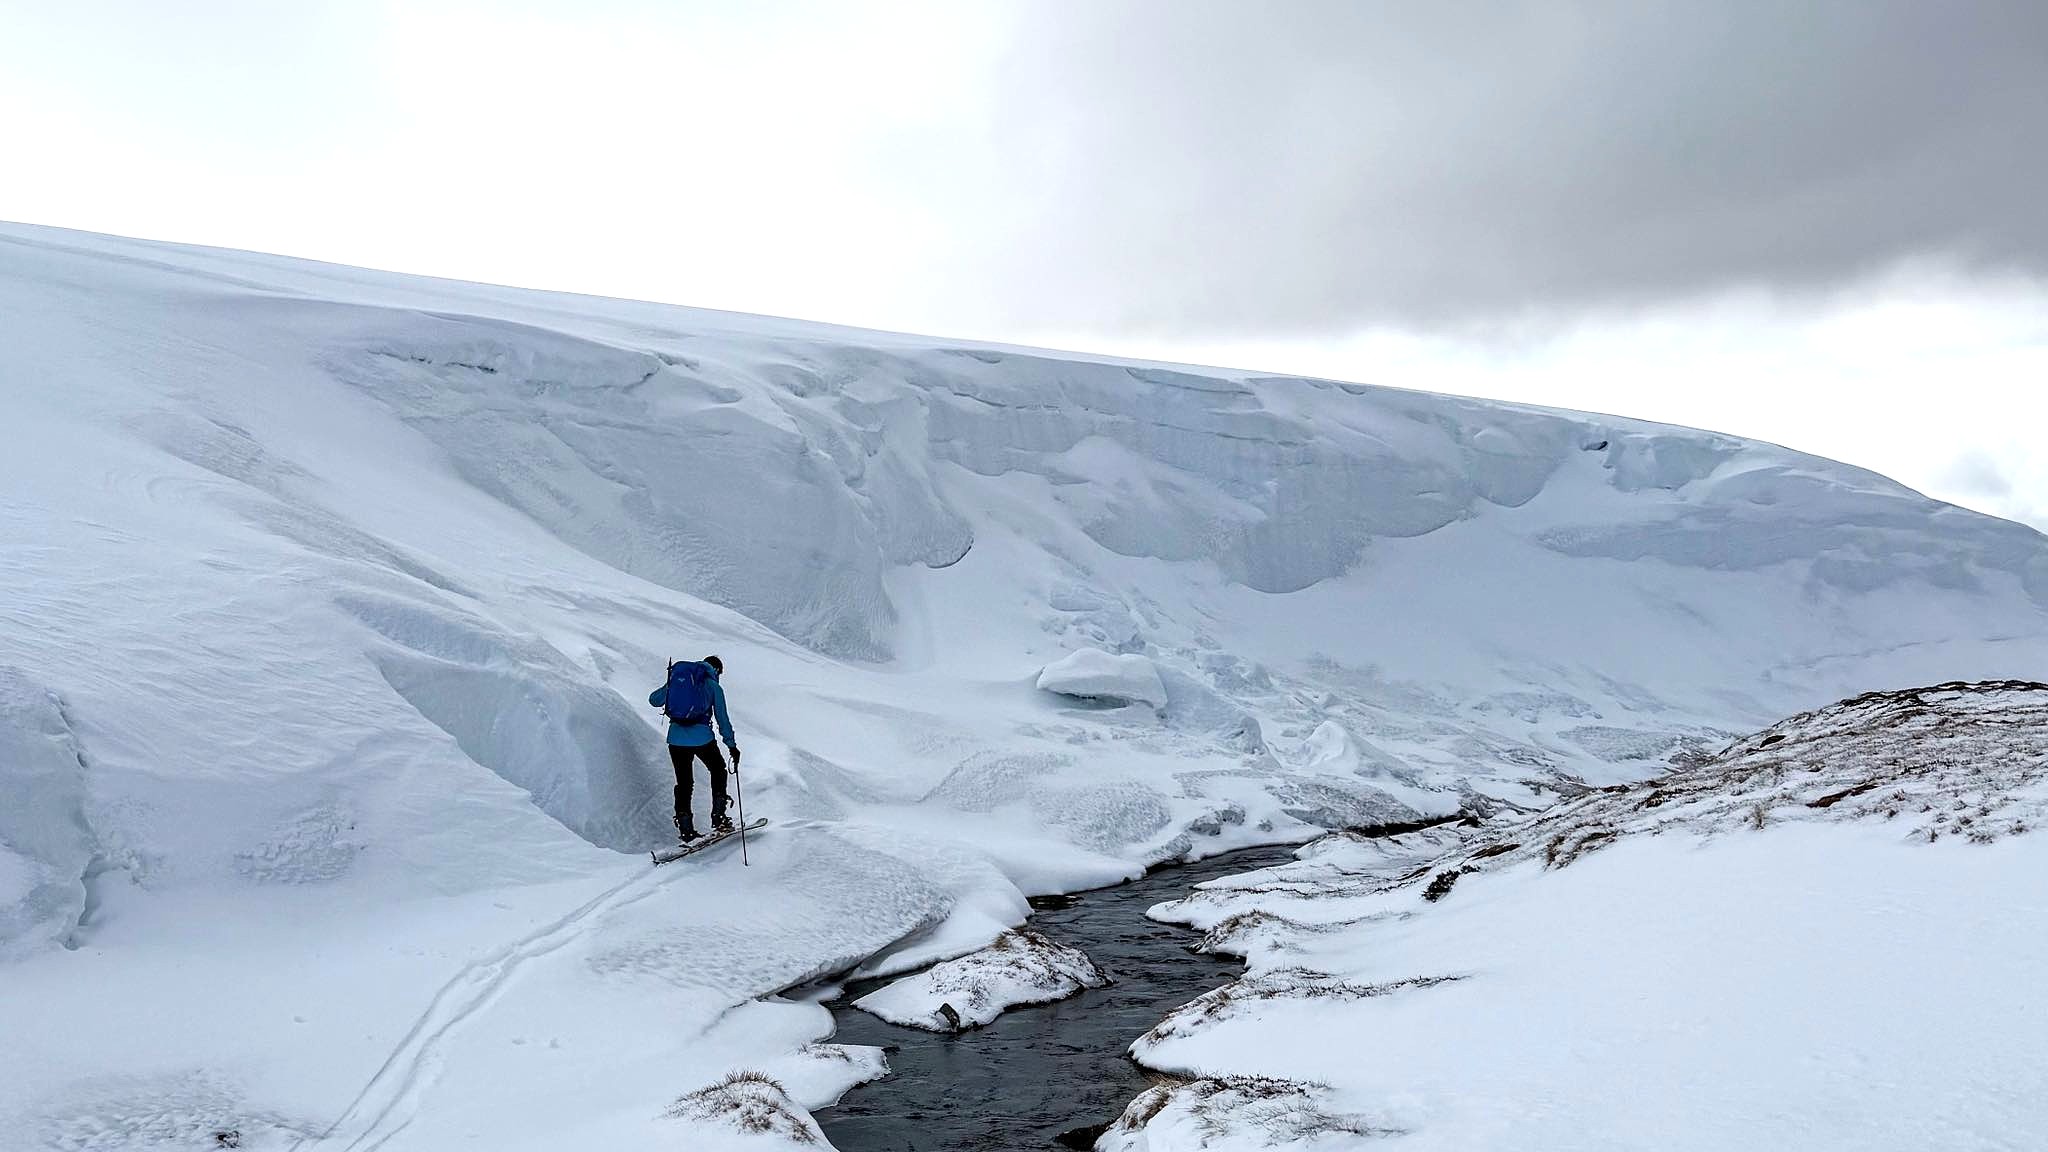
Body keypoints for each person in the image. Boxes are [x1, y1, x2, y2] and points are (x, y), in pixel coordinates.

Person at [649, 655, 740, 842]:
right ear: (716, 671)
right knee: (718, 770)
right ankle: (719, 818)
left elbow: (654, 700)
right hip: (702, 739)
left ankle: (686, 829)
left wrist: (671, 685)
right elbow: (722, 719)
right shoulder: (713, 686)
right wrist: (731, 746)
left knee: (684, 783)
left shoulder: (679, 681)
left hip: (675, 740)